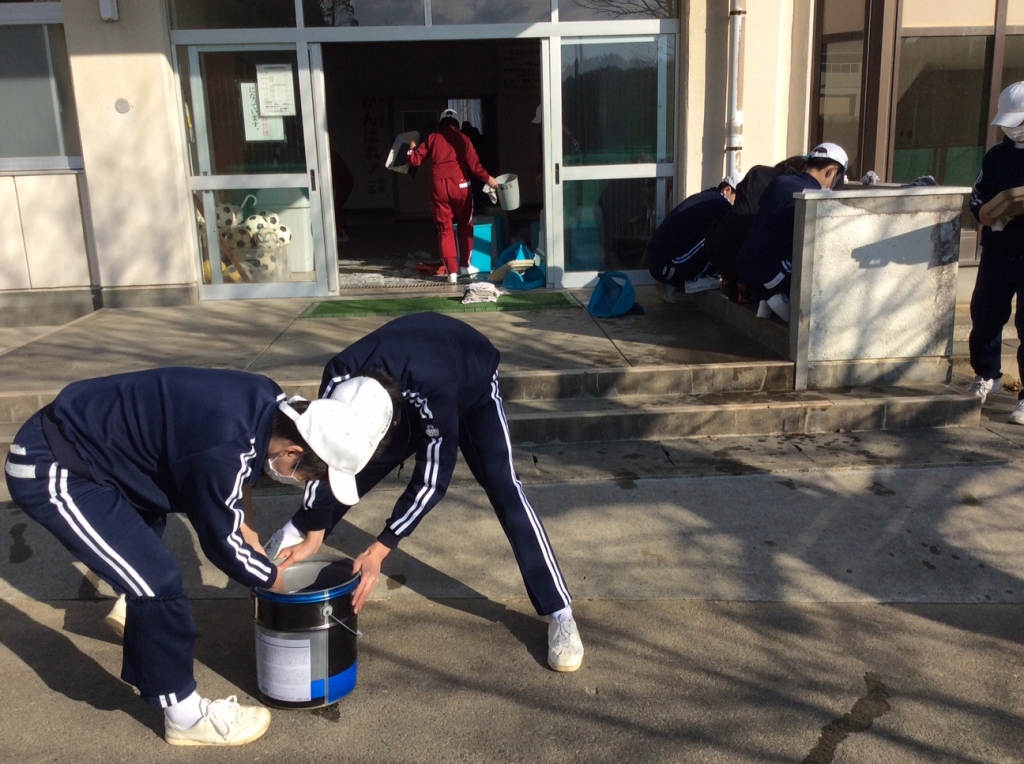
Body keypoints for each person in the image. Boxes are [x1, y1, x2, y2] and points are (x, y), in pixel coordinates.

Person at [3, 367, 374, 746]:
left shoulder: (268, 401)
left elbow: (239, 481)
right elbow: (221, 543)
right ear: (293, 451)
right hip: (54, 465)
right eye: (306, 476)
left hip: (111, 455)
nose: (301, 482)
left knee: (148, 573)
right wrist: (273, 583)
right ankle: (185, 716)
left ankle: (144, 621)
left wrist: (255, 547)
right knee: (157, 584)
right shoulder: (223, 446)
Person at [265, 313, 584, 673]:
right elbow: (323, 450)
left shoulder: (435, 393)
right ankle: (288, 536)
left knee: (505, 487)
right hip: (402, 385)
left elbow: (432, 481)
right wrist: (313, 532)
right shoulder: (339, 374)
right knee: (352, 464)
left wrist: (381, 547)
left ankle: (560, 612)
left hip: (470, 378)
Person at [736, 142, 848, 323]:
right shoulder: (813, 197)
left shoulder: (778, 183)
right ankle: (783, 302)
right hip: (771, 273)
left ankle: (769, 300)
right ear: (832, 171)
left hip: (746, 267)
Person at [968, 81, 1024, 423]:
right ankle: (986, 373)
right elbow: (978, 194)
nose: (1013, 130)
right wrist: (983, 214)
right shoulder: (996, 156)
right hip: (999, 248)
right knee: (985, 314)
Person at [407, 109, 499, 283]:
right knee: (465, 223)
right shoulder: (464, 138)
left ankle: (452, 273)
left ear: (440, 123)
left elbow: (414, 161)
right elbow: (475, 167)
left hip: (439, 187)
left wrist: (412, 148)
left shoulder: (433, 138)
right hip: (461, 185)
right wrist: (489, 179)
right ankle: (465, 265)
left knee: (445, 228)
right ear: (457, 124)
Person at [704, 156, 808, 302]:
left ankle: (731, 282)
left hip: (718, 246)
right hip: (749, 256)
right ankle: (750, 288)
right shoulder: (789, 185)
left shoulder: (757, 172)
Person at [645, 177, 737, 304]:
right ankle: (691, 282)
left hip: (658, 263)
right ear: (727, 190)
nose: (738, 203)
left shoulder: (706, 197)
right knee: (715, 239)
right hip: (667, 266)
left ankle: (672, 284)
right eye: (738, 197)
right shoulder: (721, 203)